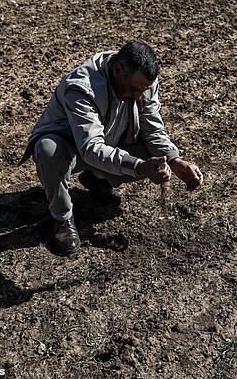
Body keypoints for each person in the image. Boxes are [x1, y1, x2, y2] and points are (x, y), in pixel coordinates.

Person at [19, 40, 203, 256]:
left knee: (155, 155)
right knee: (48, 150)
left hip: (108, 139)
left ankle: (97, 179)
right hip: (73, 146)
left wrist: (174, 159)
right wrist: (138, 166)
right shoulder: (81, 88)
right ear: (117, 70)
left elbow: (152, 128)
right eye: (135, 89)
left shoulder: (141, 81)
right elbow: (91, 147)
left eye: (144, 90)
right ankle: (62, 218)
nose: (138, 96)